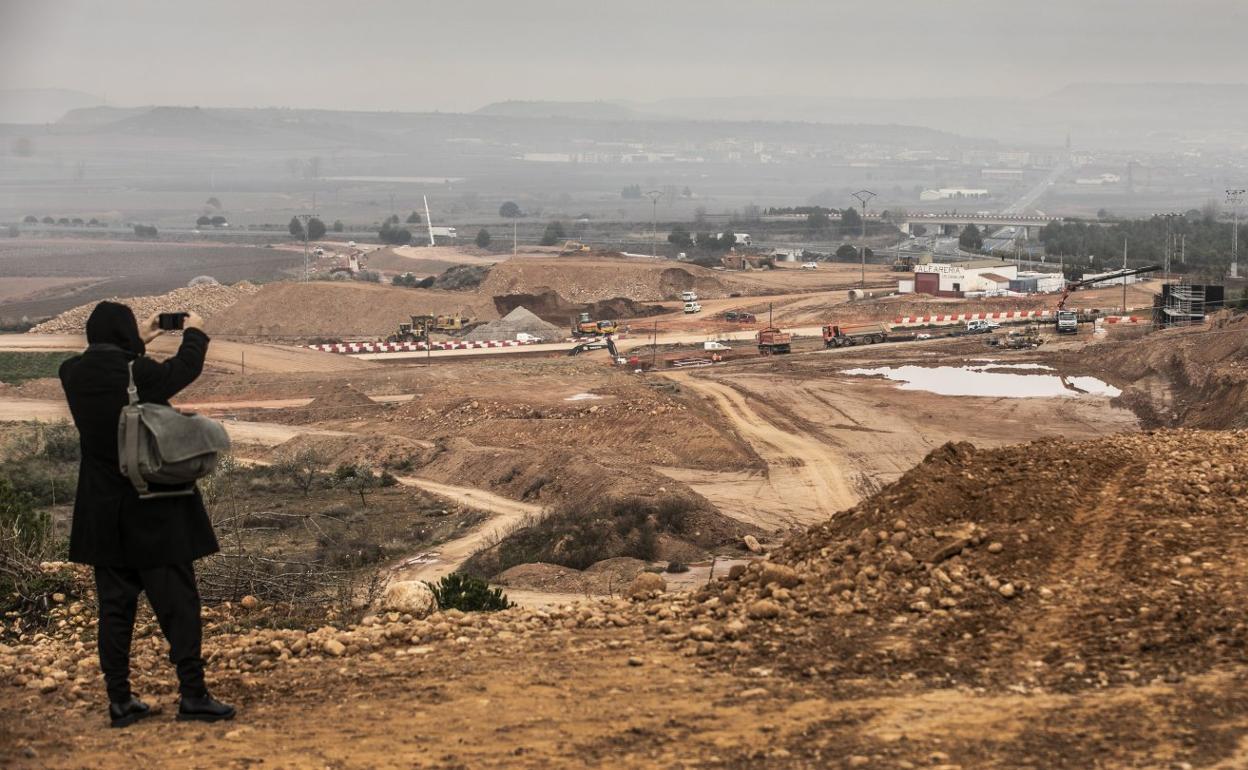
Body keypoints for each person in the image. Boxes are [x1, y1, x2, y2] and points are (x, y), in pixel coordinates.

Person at [58, 302, 235, 728]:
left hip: (103, 517)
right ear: (124, 337)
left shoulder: (72, 374)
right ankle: (193, 695)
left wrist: (143, 336)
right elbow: (184, 369)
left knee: (115, 612)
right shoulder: (141, 375)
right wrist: (194, 331)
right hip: (155, 512)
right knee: (179, 607)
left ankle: (120, 701)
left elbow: (110, 363)